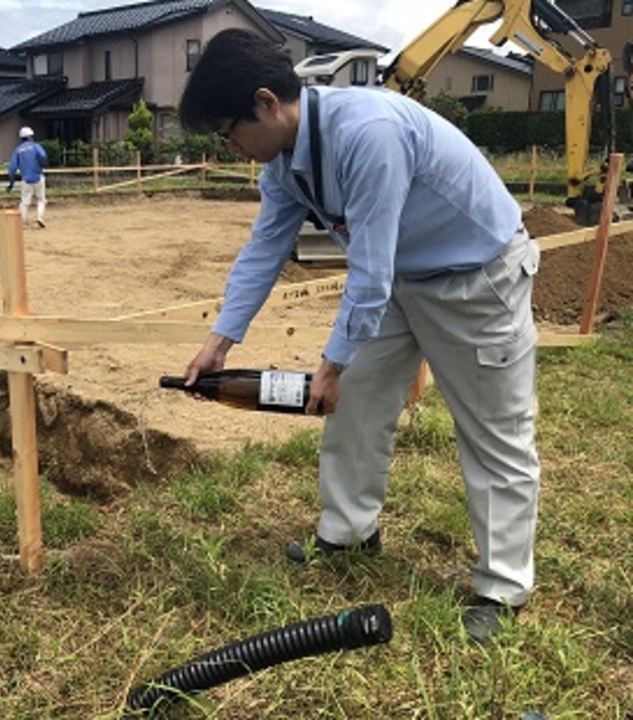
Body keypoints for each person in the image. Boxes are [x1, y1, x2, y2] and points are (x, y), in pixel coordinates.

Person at [177, 28, 540, 645]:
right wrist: (221, 340)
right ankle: (348, 532)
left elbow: (367, 269)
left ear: (267, 103)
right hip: (402, 280)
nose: (230, 146)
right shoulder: (285, 163)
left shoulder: (368, 133)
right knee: (356, 405)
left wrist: (332, 361)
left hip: (476, 278)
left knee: (494, 429)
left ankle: (503, 587)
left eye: (228, 132)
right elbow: (264, 250)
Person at [7, 126, 48, 228]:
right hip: (38, 177)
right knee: (41, 199)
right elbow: (43, 156)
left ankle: (22, 222)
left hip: (26, 179)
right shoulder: (35, 146)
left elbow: (12, 168)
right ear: (30, 136)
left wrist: (11, 184)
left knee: (25, 201)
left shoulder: (18, 150)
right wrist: (42, 165)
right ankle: (39, 218)